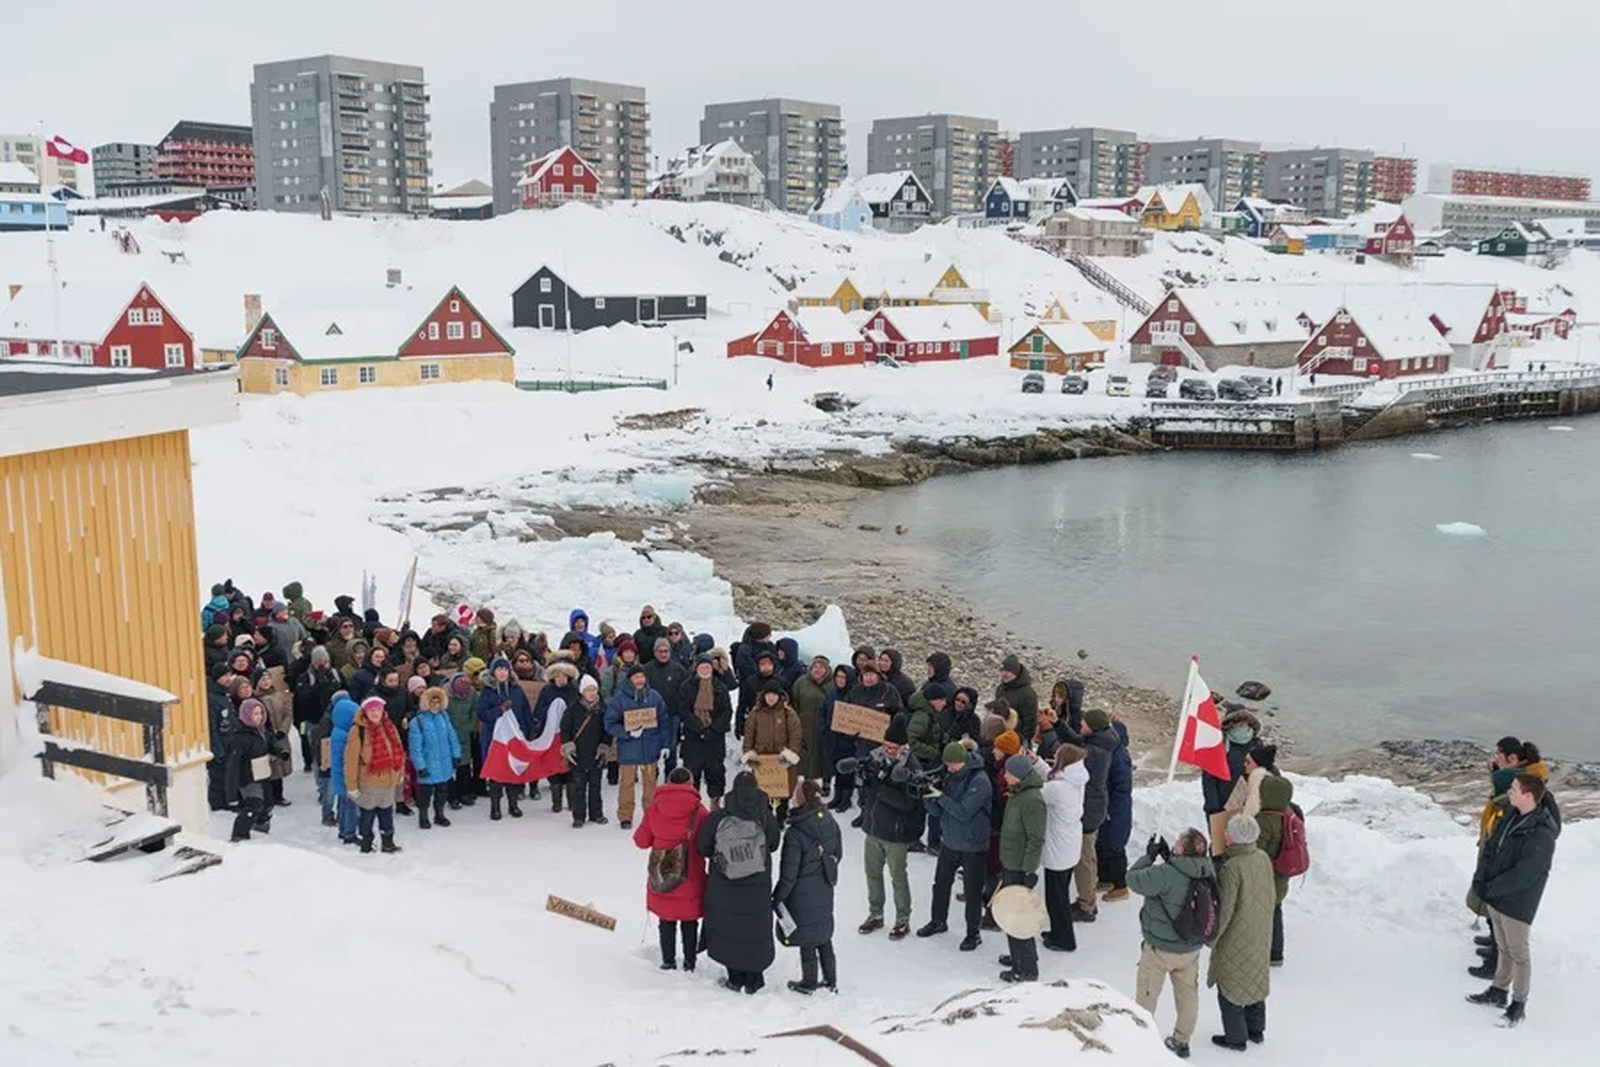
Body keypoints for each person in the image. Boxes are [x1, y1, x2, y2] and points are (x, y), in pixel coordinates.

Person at [1466, 773, 1559, 1028]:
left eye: (1515, 788)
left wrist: (1492, 888)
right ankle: (1498, 991)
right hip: (1496, 895)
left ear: (1528, 796)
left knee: (1519, 953)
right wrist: (1480, 881)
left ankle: (1518, 1005)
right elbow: (1492, 849)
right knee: (1503, 947)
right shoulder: (1511, 816)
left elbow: (1525, 875)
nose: (1510, 791)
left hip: (1517, 903)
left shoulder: (1542, 834)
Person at [1129, 828, 1216, 1059]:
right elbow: (1182, 875)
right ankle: (1182, 1041)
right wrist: (1170, 857)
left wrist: (1149, 857)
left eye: (1177, 842)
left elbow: (1133, 879)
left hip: (1160, 948)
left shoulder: (1163, 874)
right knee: (1188, 997)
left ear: (1180, 849)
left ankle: (1139, 1041)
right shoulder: (1207, 870)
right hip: (1190, 948)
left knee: (1147, 995)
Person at [695, 770, 781, 993]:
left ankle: (734, 977)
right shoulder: (765, 817)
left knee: (729, 927)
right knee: (754, 929)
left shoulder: (719, 818)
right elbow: (773, 844)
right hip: (757, 886)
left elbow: (702, 847)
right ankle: (754, 979)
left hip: (725, 885)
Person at [1208, 815, 1276, 1050]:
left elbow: (1225, 910)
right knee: (1255, 977)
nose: (1224, 833)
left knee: (1230, 985)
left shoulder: (1232, 868)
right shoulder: (1262, 857)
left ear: (1233, 838)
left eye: (1227, 831)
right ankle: (1256, 1030)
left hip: (1237, 934)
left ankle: (1236, 1038)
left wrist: (1212, 938)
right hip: (1260, 929)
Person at [918, 741, 993, 951]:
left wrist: (940, 797)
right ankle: (938, 920)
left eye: (952, 765)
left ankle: (973, 933)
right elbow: (938, 812)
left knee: (972, 891)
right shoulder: (951, 776)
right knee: (941, 884)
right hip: (950, 841)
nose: (949, 769)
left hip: (973, 845)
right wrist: (927, 797)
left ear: (963, 761)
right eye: (947, 765)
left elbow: (963, 812)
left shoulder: (980, 781)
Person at [633, 766, 709, 971]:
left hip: (661, 874)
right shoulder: (699, 811)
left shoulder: (655, 808)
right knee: (689, 920)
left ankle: (668, 960)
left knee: (666, 918)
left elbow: (640, 841)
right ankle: (690, 963)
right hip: (691, 875)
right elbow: (708, 844)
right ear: (690, 784)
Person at [774, 778, 843, 993]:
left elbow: (789, 873)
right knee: (823, 935)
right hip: (824, 886)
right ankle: (831, 981)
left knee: (807, 937)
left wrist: (777, 897)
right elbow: (837, 854)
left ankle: (809, 981)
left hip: (801, 892)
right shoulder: (830, 820)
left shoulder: (796, 832)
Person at [857, 714, 921, 941]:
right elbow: (868, 787)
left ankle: (903, 918)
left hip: (895, 833)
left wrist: (878, 788)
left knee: (898, 878)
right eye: (887, 745)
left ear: (903, 746)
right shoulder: (876, 759)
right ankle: (876, 913)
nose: (889, 750)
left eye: (894, 747)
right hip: (873, 829)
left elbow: (909, 803)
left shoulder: (911, 766)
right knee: (872, 874)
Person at [996, 751, 1046, 983]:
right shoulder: (1018, 793)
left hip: (1019, 867)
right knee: (1010, 914)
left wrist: (1029, 871)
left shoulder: (1032, 800)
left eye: (1008, 772)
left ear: (1019, 775)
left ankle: (1026, 968)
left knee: (1018, 917)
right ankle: (1018, 956)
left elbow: (1036, 838)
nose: (1005, 775)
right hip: (1011, 862)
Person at [605, 662, 670, 830]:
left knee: (650, 783)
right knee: (626, 784)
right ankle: (625, 816)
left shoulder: (655, 697)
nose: (639, 680)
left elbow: (664, 721)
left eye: (642, 676)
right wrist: (627, 732)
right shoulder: (619, 699)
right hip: (628, 749)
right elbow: (610, 723)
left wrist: (665, 744)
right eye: (636, 677)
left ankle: (651, 814)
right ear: (630, 679)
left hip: (650, 747)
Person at [1041, 744, 1089, 952]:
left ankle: (1064, 939)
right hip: (1069, 844)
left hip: (1057, 847)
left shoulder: (1059, 788)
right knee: (1060, 893)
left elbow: (1041, 792)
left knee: (1056, 898)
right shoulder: (1075, 780)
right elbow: (1053, 778)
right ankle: (1057, 932)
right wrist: (1038, 763)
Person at [345, 696, 406, 854]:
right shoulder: (358, 730)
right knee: (367, 815)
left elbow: (398, 750)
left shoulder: (389, 726)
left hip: (388, 780)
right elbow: (350, 761)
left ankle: (388, 842)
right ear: (365, 711)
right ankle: (366, 843)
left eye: (378, 709)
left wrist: (399, 772)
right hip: (369, 782)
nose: (375, 713)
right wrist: (351, 785)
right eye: (371, 710)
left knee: (387, 814)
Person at [477, 655, 534, 821]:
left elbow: (525, 710)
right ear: (493, 672)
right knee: (496, 773)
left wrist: (530, 729)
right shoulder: (487, 691)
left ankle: (513, 804)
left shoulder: (516, 689)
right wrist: (500, 710)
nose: (502, 673)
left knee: (513, 770)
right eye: (499, 669)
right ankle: (495, 807)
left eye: (505, 669)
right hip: (495, 739)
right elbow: (482, 714)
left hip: (514, 737)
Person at [1073, 708, 1116, 922]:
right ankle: (1087, 899)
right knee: (1087, 856)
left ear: (1094, 727)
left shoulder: (1093, 753)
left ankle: (1086, 905)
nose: (1081, 723)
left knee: (1084, 859)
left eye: (1084, 722)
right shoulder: (1102, 744)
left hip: (1088, 809)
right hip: (1096, 806)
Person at [677, 654, 733, 807]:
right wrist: (699, 728)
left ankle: (715, 803)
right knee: (692, 772)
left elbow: (726, 711)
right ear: (697, 668)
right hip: (693, 737)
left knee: (715, 772)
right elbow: (683, 710)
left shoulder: (719, 687)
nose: (705, 669)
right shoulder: (687, 686)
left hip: (714, 739)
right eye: (702, 667)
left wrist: (713, 729)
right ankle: (691, 803)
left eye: (708, 667)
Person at [741, 679, 803, 815]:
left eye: (774, 695)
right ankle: (766, 815)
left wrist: (790, 755)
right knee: (763, 791)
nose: (771, 698)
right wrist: (749, 754)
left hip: (782, 760)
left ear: (779, 696)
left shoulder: (789, 713)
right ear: (763, 695)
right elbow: (749, 735)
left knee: (784, 790)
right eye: (768, 694)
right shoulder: (755, 713)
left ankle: (782, 814)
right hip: (762, 760)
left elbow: (796, 735)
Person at [1254, 774, 1296, 966]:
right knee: (1276, 911)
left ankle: (1261, 950)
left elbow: (1256, 851)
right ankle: (1277, 953)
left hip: (1265, 878)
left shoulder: (1264, 821)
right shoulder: (1289, 815)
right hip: (1282, 875)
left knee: (1260, 914)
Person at [560, 675, 612, 827]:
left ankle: (596, 813)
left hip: (597, 753)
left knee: (595, 785)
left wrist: (605, 745)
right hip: (578, 754)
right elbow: (565, 729)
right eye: (588, 689)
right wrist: (568, 745)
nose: (591, 692)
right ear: (582, 691)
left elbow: (608, 730)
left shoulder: (603, 708)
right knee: (578, 786)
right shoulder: (573, 708)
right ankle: (579, 816)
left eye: (594, 689)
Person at [408, 686, 462, 829]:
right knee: (425, 793)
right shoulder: (417, 721)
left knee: (442, 791)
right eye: (433, 702)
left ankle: (439, 814)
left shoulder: (444, 717)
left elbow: (452, 737)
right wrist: (420, 766)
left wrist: (456, 754)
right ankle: (423, 816)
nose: (436, 705)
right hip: (428, 762)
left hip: (444, 762)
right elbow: (415, 747)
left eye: (438, 702)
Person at [224, 699, 275, 842]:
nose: (259, 717)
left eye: (260, 713)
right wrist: (231, 795)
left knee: (267, 804)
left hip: (262, 774)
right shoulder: (240, 738)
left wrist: (279, 751)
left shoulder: (262, 732)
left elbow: (271, 745)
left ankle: (260, 828)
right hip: (247, 778)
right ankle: (239, 835)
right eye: (255, 714)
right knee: (254, 804)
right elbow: (232, 767)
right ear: (246, 715)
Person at [1097, 717, 1134, 903]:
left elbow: (1122, 786)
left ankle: (1120, 885)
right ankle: (1105, 878)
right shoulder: (1111, 751)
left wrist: (1111, 807)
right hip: (1108, 807)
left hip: (1115, 809)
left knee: (1114, 846)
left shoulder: (1118, 756)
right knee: (1102, 843)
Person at [644, 637, 688, 775]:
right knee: (651, 747)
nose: (663, 654)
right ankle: (652, 775)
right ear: (654, 652)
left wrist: (681, 713)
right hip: (651, 715)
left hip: (671, 714)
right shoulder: (646, 669)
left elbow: (685, 693)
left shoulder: (678, 669)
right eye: (660, 651)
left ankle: (670, 776)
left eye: (666, 651)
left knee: (671, 747)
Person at [1203, 711, 1260, 816]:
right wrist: (1213, 807)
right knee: (1220, 832)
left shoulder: (1256, 744)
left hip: (1246, 805)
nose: (1241, 726)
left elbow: (1264, 772)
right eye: (1238, 723)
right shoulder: (1218, 743)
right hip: (1220, 804)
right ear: (1230, 724)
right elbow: (1209, 778)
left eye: (1243, 723)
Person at [789, 655, 833, 787]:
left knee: (824, 756)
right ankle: (805, 781)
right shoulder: (801, 682)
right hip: (805, 725)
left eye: (821, 667)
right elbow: (794, 703)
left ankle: (826, 782)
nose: (817, 670)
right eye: (815, 667)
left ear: (827, 670)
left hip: (824, 727)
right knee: (805, 754)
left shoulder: (833, 684)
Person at [819, 665, 859, 811]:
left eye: (843, 677)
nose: (840, 680)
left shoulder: (855, 695)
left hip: (847, 742)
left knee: (846, 772)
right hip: (832, 739)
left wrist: (853, 735)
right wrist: (823, 729)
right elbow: (822, 711)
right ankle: (837, 797)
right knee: (836, 769)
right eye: (838, 677)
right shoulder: (831, 693)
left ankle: (846, 799)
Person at [443, 673, 479, 809]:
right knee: (449, 766)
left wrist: (470, 725)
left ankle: (465, 793)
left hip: (464, 733)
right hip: (448, 735)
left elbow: (474, 710)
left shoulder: (472, 693)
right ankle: (452, 796)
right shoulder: (444, 694)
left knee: (464, 766)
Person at [1224, 743, 1278, 820]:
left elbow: (1250, 813)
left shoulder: (1260, 783)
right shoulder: (1249, 776)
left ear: (1259, 765)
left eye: (1248, 762)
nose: (1244, 764)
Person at [995, 654, 1040, 745]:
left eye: (1008, 671)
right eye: (1002, 670)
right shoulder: (1001, 688)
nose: (1004, 674)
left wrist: (1020, 740)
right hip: (1001, 735)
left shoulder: (1028, 694)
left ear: (1016, 673)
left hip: (1018, 739)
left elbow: (1030, 723)